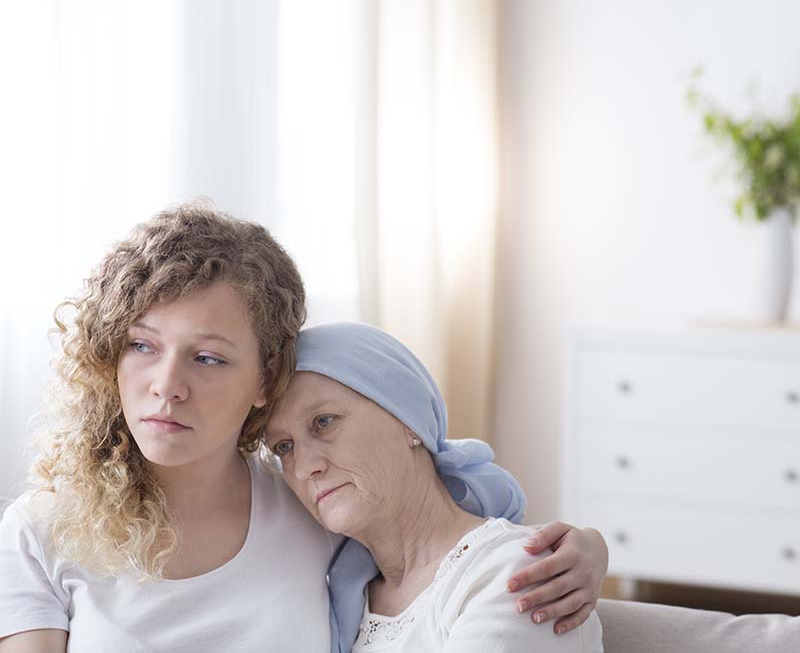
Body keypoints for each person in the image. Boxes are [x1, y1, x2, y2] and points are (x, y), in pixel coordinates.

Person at [0, 202, 608, 652]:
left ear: (264, 379)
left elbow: (442, 535)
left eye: (207, 357)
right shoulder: (42, 529)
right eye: (141, 346)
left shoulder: (311, 509)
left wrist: (582, 550)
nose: (166, 385)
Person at [266, 322, 604, 652]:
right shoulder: (339, 605)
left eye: (323, 422)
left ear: (408, 420)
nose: (307, 466)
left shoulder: (519, 575)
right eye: (284, 446)